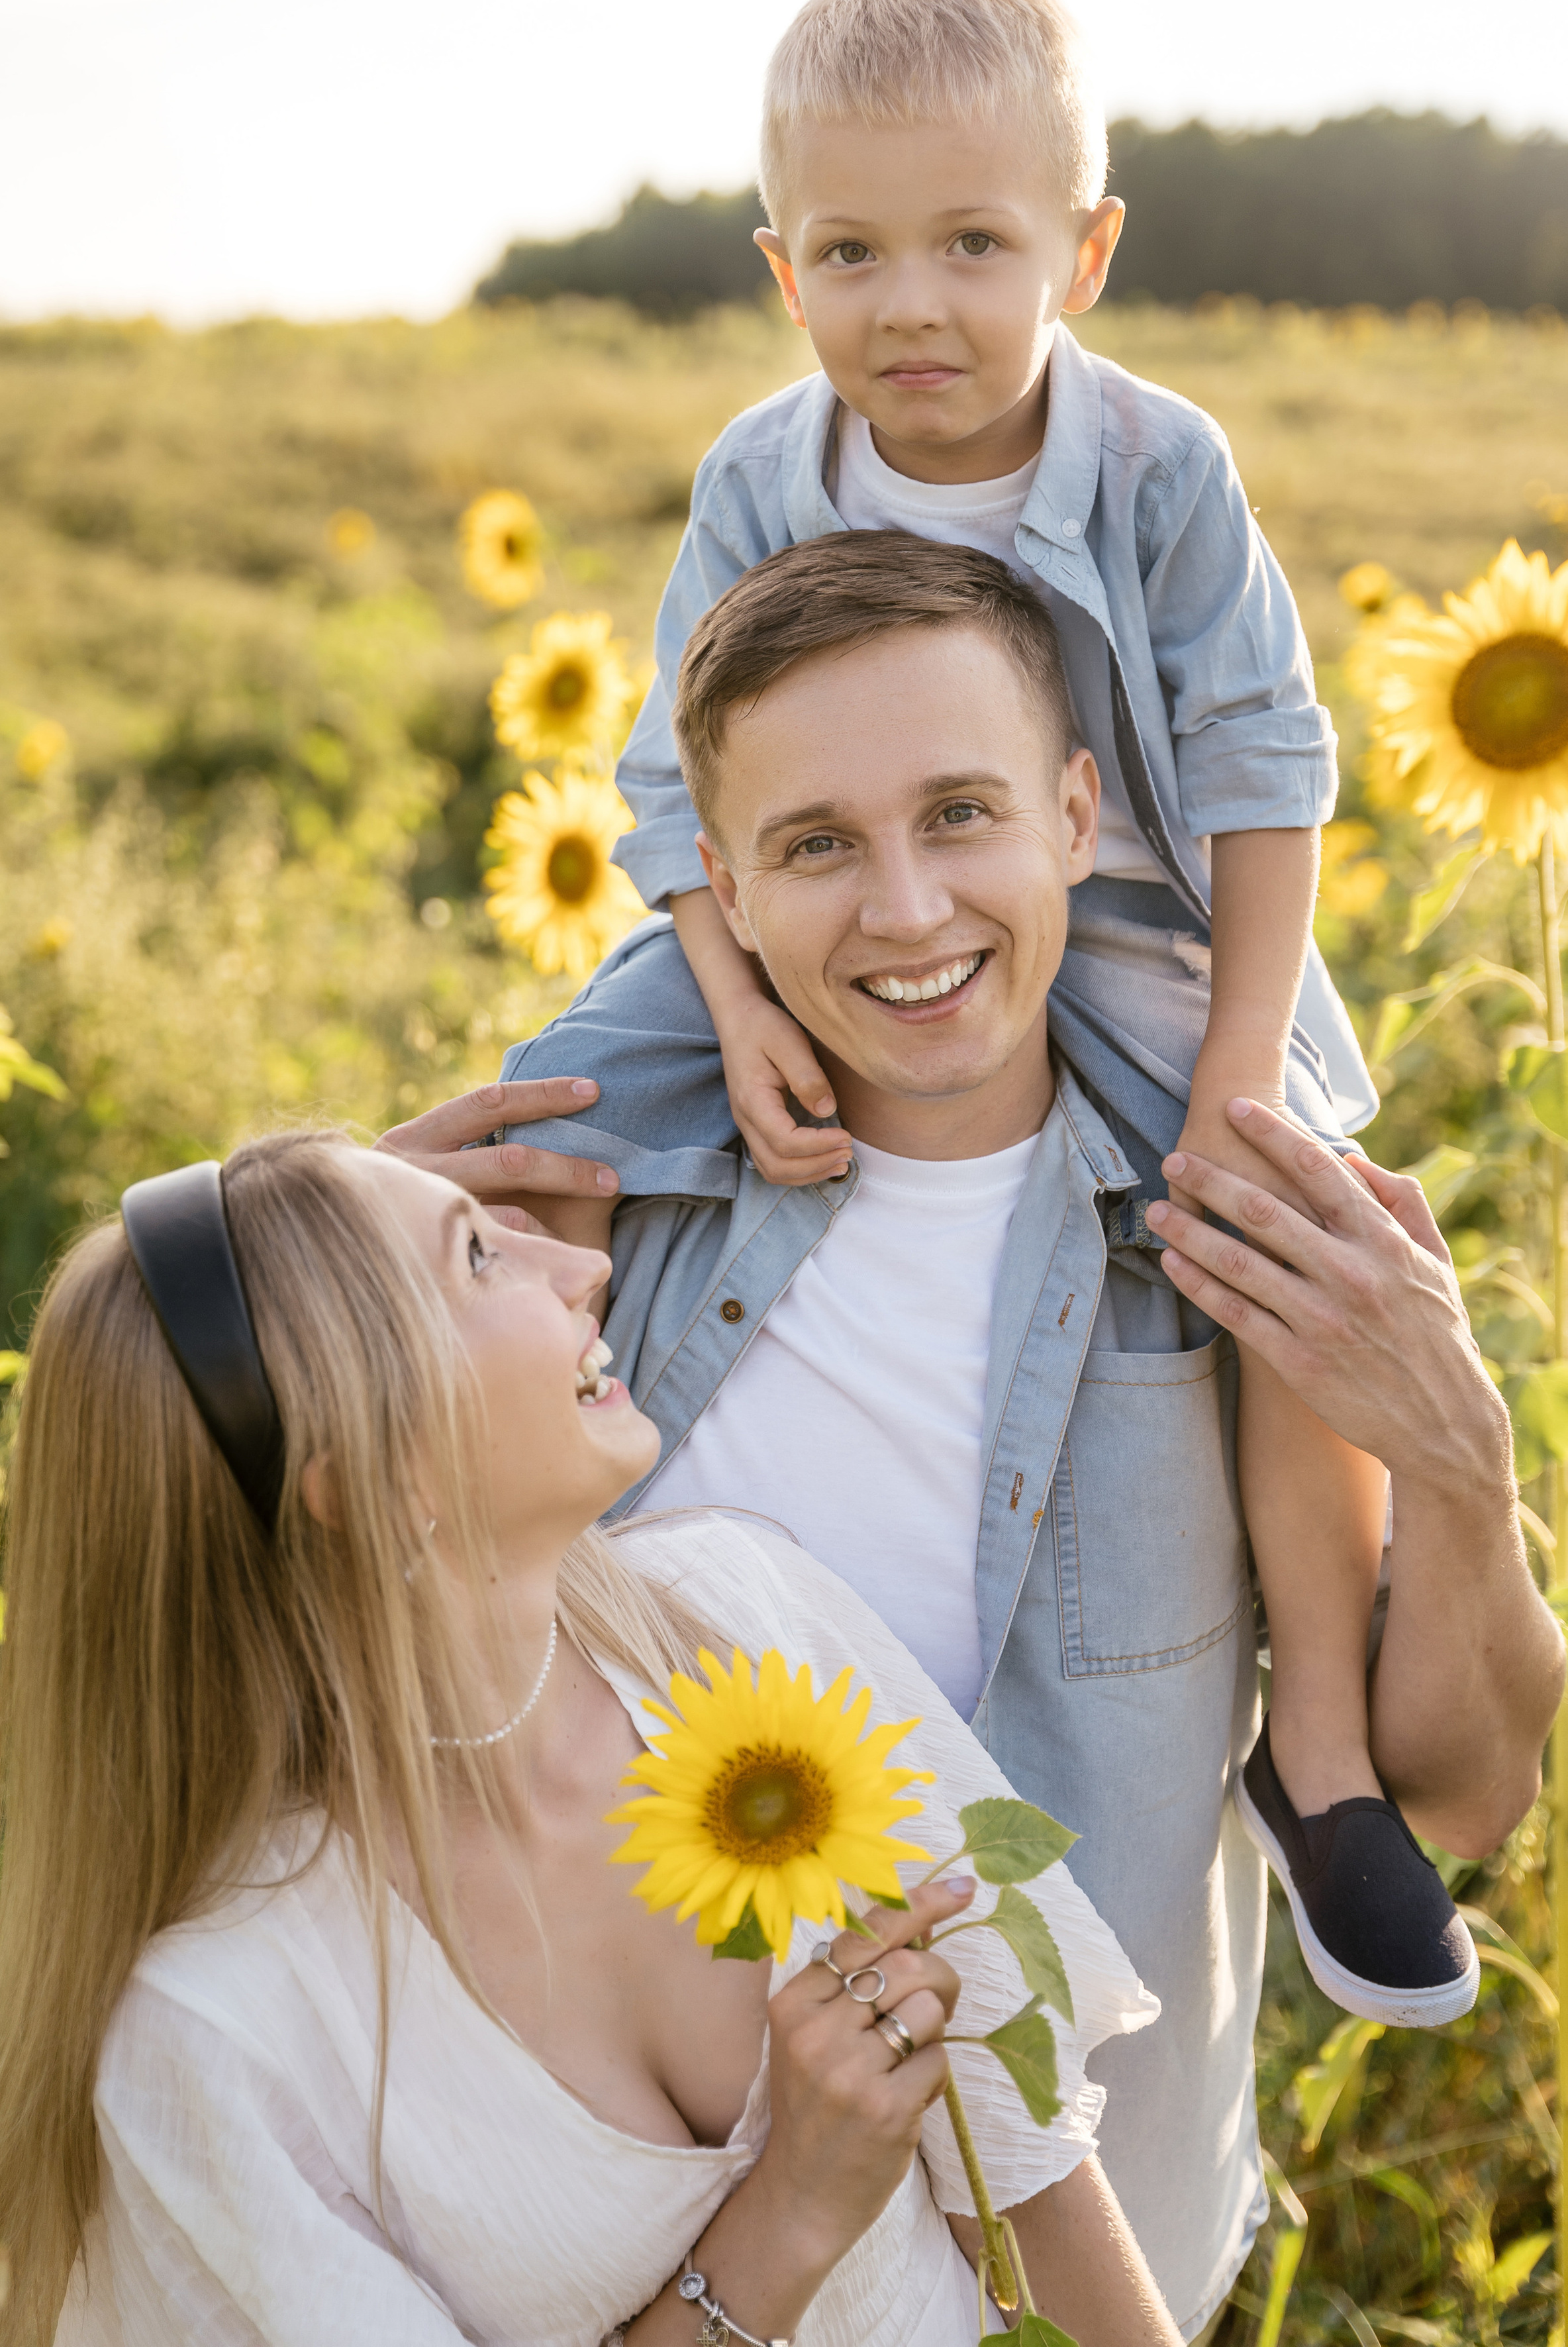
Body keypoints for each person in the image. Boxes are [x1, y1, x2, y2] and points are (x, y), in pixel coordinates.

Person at [385, 536, 1563, 2340]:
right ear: (721, 884)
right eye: (817, 846)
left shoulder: (1240, 1236)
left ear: (1076, 816)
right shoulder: (581, 1244)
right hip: (690, 2278)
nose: (909, 911)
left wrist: (1472, 1469)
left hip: (1122, 2262)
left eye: (960, 814)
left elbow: (1467, 1801)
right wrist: (333, 1278)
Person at [497, 0, 1438, 2033]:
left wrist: (1235, 1074)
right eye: (851, 252)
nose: (909, 305)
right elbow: (678, 779)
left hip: (1134, 919)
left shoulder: (1155, 467)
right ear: (781, 267)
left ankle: (1333, 1754)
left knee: (1285, 1231)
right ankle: (484, 1587)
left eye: (972, 246)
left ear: (1082, 253)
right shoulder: (769, 472)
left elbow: (1272, 771)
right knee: (552, 1095)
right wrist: (731, 1000)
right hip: (797, 913)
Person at [0, 1134, 1182, 2347]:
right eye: (477, 1257)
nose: (584, 1266)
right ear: (368, 1483)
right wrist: (785, 2218)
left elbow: (1030, 2176)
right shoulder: (224, 2032)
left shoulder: (742, 1618)